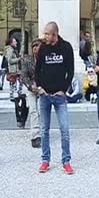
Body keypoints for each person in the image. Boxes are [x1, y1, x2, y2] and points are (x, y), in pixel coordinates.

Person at [35, 21, 75, 175]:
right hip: (45, 95)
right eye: (45, 33)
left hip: (59, 96)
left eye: (47, 33)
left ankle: (66, 161)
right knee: (44, 130)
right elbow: (38, 69)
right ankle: (45, 160)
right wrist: (39, 87)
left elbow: (70, 71)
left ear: (54, 34)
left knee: (64, 129)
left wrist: (64, 90)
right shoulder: (43, 48)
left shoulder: (66, 48)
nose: (45, 36)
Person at [21, 39, 42, 148]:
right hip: (31, 88)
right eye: (33, 46)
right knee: (33, 110)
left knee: (41, 111)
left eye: (37, 45)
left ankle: (42, 131)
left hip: (43, 88)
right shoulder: (27, 60)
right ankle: (35, 136)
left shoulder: (45, 59)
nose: (35, 48)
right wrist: (30, 85)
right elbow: (23, 76)